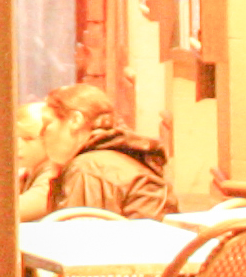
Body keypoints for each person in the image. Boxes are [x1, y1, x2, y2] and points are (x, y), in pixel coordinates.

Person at [27, 82, 174, 216]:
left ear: (75, 121)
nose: (41, 134)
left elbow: (79, 240)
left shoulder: (87, 168)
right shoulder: (116, 159)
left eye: (47, 124)